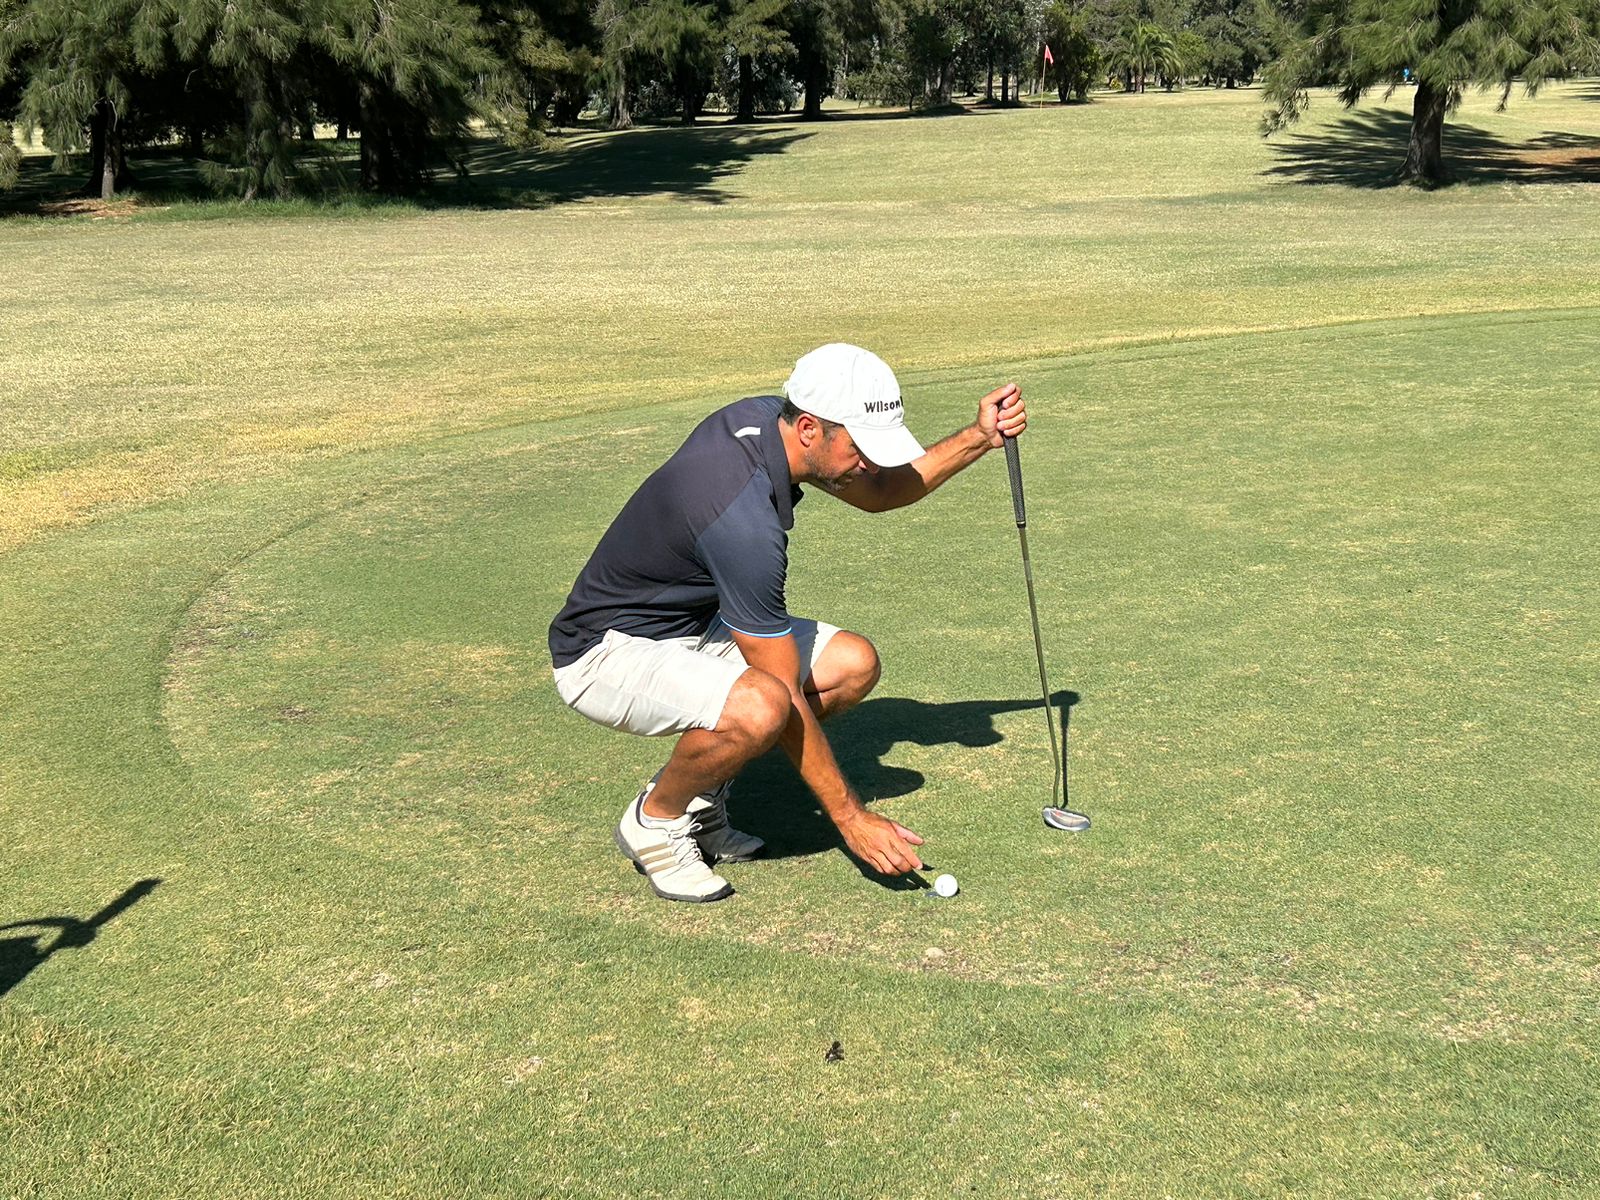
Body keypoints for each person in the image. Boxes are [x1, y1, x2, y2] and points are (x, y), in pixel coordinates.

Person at [548, 343, 1028, 902]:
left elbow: (878, 493)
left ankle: (700, 797)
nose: (871, 463)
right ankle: (655, 819)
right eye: (860, 448)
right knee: (763, 705)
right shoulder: (741, 519)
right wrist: (851, 817)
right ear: (808, 429)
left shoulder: (769, 419)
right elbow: (780, 688)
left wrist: (979, 437)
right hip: (605, 652)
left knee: (851, 664)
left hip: (692, 626)